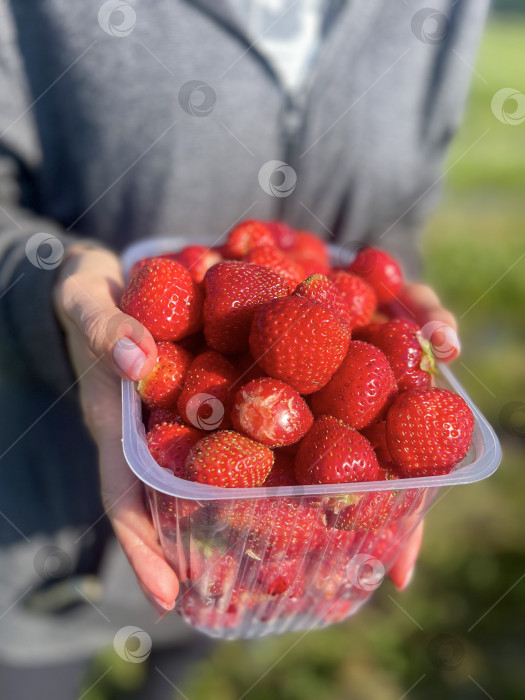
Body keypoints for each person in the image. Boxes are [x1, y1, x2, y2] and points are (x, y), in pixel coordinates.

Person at [0, 1, 489, 698]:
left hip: (252, 566)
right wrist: (51, 285)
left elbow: (394, 224)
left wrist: (396, 299)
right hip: (39, 531)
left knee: (178, 665)